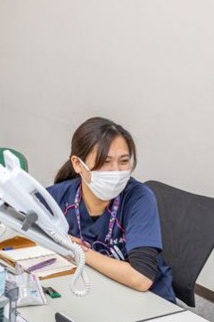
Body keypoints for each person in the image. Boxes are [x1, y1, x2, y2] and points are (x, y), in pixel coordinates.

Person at [46, 117, 176, 302]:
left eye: (123, 161)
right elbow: (20, 221)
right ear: (77, 164)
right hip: (94, 290)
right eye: (105, 161)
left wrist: (75, 250)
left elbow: (141, 278)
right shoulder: (61, 194)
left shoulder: (139, 198)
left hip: (148, 301)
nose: (116, 171)